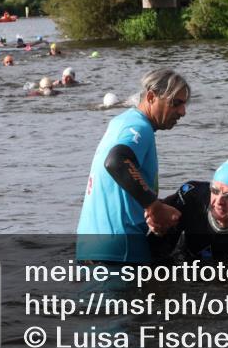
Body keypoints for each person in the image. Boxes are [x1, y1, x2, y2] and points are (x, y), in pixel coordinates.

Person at [76, 68, 189, 264]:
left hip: (90, 244)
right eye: (176, 103)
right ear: (152, 97)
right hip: (120, 249)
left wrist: (157, 202)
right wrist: (153, 206)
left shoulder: (122, 121)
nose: (182, 112)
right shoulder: (140, 128)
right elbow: (116, 161)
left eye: (184, 104)